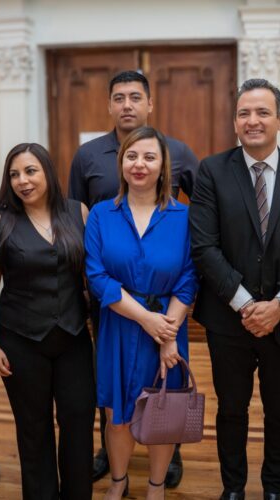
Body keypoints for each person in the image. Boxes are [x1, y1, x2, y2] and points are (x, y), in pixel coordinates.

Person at [189, 79, 280, 500]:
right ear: (235, 121)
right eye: (244, 113)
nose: (253, 121)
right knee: (231, 411)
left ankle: (273, 489)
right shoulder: (212, 171)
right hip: (227, 321)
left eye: (262, 112)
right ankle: (233, 488)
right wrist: (248, 305)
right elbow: (204, 246)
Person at [69, 70, 198, 486]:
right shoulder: (102, 214)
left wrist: (166, 333)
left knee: (163, 411)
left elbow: (188, 279)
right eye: (131, 157)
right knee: (116, 413)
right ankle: (119, 482)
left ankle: (157, 486)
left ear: (165, 167)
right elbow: (97, 275)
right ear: (120, 163)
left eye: (149, 158)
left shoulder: (184, 217)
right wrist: (147, 321)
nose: (139, 164)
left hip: (169, 327)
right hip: (117, 325)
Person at [0, 143, 95, 499]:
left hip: (73, 338)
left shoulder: (79, 212)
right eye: (14, 174)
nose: (22, 181)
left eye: (30, 171)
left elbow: (93, 277)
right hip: (21, 340)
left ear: (47, 172)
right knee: (33, 428)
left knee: (78, 422)